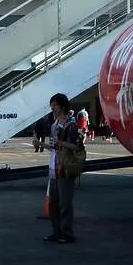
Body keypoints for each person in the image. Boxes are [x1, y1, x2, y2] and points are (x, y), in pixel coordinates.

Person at [45, 93, 80, 245]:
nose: (52, 108)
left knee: (65, 203)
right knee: (53, 203)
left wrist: (60, 142)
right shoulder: (54, 125)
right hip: (54, 167)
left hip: (65, 168)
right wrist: (41, 145)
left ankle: (67, 233)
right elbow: (54, 147)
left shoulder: (71, 125)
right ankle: (56, 231)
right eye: (51, 105)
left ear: (63, 107)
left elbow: (76, 146)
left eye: (55, 105)